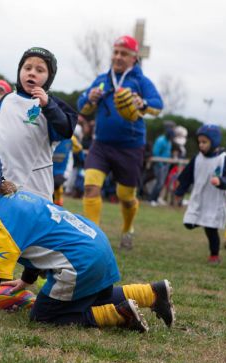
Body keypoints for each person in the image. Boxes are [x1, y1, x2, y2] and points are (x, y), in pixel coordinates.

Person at [0, 148, 175, 332]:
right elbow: (37, 243)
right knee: (95, 297)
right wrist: (25, 282)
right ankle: (152, 293)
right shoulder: (16, 198)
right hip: (96, 245)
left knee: (44, 315)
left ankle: (119, 314)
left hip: (79, 262)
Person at [0, 47, 78, 289]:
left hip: (34, 184)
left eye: (40, 70)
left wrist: (48, 104)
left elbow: (65, 130)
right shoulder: (7, 100)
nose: (32, 73)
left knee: (33, 234)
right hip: (0, 181)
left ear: (49, 78)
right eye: (27, 68)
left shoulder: (52, 106)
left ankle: (31, 277)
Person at [77, 35, 163, 250]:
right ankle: (92, 238)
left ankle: (127, 229)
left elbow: (158, 105)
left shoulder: (141, 81)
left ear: (134, 58)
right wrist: (90, 97)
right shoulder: (102, 79)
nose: (118, 57)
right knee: (90, 187)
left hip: (130, 147)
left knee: (125, 196)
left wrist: (141, 102)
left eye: (123, 53)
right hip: (101, 145)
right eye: (115, 52)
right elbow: (82, 105)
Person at [174, 124, 226, 265]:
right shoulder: (197, 158)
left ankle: (214, 255)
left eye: (204, 142)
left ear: (213, 142)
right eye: (199, 142)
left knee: (211, 229)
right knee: (188, 223)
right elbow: (186, 176)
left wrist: (221, 181)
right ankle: (201, 221)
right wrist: (179, 192)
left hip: (215, 201)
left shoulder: (223, 159)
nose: (201, 145)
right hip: (199, 198)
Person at [52, 135, 84, 206]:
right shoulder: (50, 134)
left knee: (56, 186)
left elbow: (79, 149)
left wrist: (83, 161)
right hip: (49, 169)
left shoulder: (71, 138)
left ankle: (56, 206)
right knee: (52, 189)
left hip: (62, 171)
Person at [149, 121, 175, 206]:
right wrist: (161, 164)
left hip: (166, 164)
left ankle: (156, 199)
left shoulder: (169, 142)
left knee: (162, 183)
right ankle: (152, 199)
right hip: (159, 164)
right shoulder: (161, 140)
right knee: (159, 182)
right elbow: (155, 152)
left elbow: (167, 153)